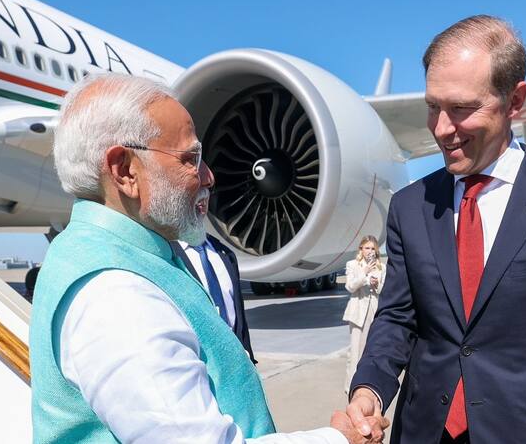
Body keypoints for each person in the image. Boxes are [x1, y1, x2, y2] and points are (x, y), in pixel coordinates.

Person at [29, 74, 385, 444]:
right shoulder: (117, 296)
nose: (210, 176)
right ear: (124, 170)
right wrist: (339, 439)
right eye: (190, 159)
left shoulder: (100, 255)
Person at [346, 15, 526, 443]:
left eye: (461, 108)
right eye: (432, 107)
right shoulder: (410, 206)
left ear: (515, 101)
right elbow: (397, 318)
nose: (441, 129)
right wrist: (370, 388)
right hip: (422, 432)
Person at [172, 228, 257, 362]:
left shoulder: (224, 252)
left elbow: (238, 315)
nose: (200, 205)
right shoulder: (169, 256)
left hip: (238, 363)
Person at [342, 235, 386, 394]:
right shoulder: (353, 265)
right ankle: (350, 387)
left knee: (372, 351)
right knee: (355, 353)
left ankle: (367, 387)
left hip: (374, 312)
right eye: (367, 247)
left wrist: (376, 285)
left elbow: (383, 291)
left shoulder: (381, 267)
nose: (370, 251)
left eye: (373, 248)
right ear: (361, 249)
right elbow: (350, 287)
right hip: (358, 313)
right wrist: (364, 273)